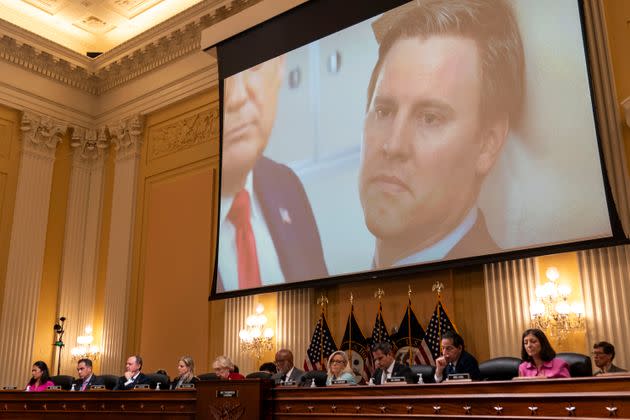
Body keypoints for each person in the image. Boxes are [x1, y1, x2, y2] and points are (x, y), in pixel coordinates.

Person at [358, 0, 524, 267]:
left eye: (429, 118)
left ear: (487, 145)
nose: (394, 145)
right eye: (383, 111)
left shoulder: (507, 284)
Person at [217, 54, 327, 292]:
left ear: (280, 67)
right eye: (224, 80)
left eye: (253, 66)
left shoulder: (287, 186)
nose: (235, 97)